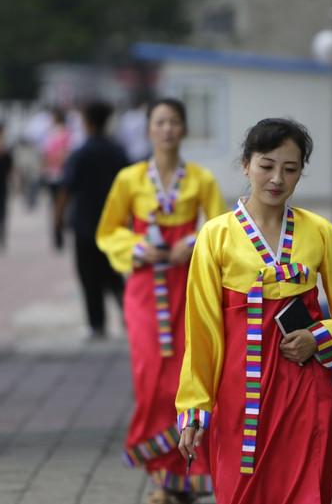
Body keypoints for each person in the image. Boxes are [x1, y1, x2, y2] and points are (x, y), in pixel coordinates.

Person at [176, 118, 332, 504]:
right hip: (239, 399)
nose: (277, 178)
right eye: (267, 165)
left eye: (290, 168)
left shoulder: (322, 233)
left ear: (301, 174)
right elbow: (201, 331)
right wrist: (195, 409)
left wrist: (318, 338)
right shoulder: (215, 237)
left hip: (305, 391)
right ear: (246, 164)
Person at [96, 98, 227, 504]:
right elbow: (108, 230)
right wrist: (138, 246)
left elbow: (221, 227)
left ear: (184, 129)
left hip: (188, 286)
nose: (168, 129)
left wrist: (193, 242)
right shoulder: (129, 179)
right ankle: (158, 473)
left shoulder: (201, 180)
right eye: (160, 122)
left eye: (174, 122)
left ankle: (181, 478)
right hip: (144, 290)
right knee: (150, 376)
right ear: (149, 129)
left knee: (187, 378)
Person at [55, 101, 130, 340]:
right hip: (114, 225)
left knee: (88, 276)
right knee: (114, 275)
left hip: (84, 224)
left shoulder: (79, 153)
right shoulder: (118, 152)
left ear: (87, 123)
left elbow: (65, 190)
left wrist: (57, 221)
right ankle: (130, 317)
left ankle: (96, 325)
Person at [42, 108, 71, 249]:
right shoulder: (67, 134)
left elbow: (45, 154)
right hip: (62, 173)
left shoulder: (51, 134)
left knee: (55, 205)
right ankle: (59, 231)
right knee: (62, 205)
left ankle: (57, 233)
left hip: (53, 173)